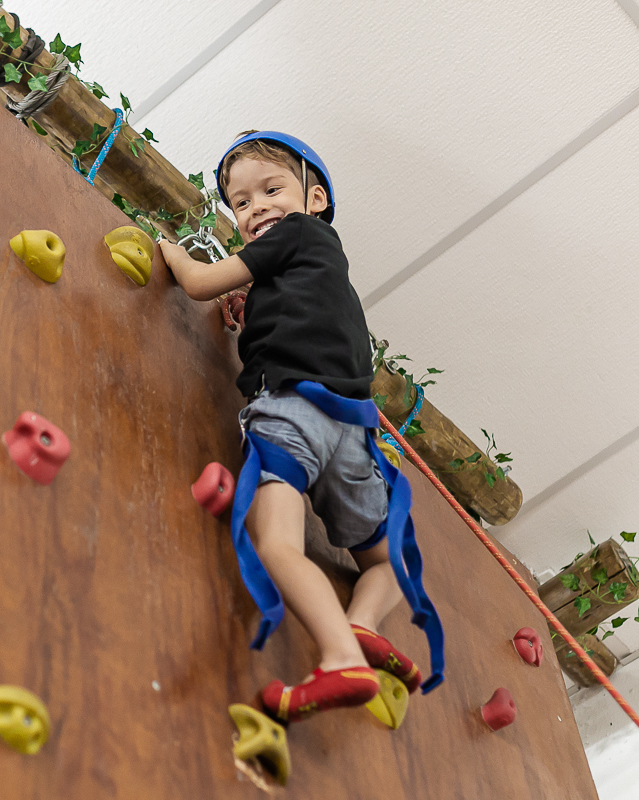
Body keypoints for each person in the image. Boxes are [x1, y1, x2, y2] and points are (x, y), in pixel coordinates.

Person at [160, 131, 424, 723]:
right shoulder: (320, 264)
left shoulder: (296, 233)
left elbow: (201, 283)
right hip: (353, 434)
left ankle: (339, 658)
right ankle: (360, 625)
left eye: (271, 189)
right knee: (385, 560)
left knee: (277, 542)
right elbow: (286, 311)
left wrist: (173, 253)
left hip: (290, 414)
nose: (256, 209)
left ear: (317, 199)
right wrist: (251, 302)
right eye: (242, 203)